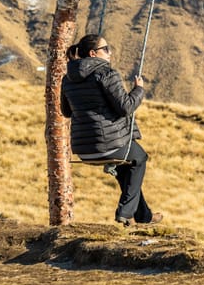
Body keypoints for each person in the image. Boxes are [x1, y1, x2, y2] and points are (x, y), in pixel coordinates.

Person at [60, 33, 162, 226]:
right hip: (107, 144)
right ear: (93, 53)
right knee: (139, 158)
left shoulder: (68, 78)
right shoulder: (106, 74)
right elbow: (126, 107)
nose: (110, 52)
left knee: (126, 168)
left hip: (83, 149)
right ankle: (125, 212)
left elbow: (66, 111)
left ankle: (143, 217)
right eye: (105, 49)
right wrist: (139, 89)